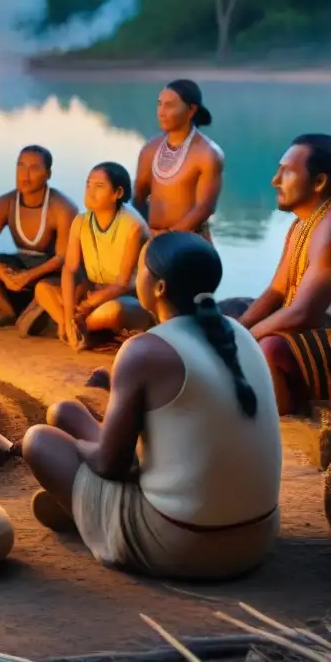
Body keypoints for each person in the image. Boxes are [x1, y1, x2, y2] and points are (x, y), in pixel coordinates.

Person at [22, 232, 282, 580]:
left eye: (142, 267)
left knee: (39, 440)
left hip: (184, 545)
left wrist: (82, 448)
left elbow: (109, 464)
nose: (136, 275)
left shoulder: (144, 350)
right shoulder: (239, 333)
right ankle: (79, 505)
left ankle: (87, 515)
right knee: (63, 413)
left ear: (159, 288)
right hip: (257, 538)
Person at [234, 134, 331, 415]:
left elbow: (302, 314)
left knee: (270, 348)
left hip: (322, 329)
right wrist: (239, 327)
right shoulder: (301, 225)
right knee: (233, 310)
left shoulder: (327, 228)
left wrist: (244, 340)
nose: (275, 180)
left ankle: (284, 422)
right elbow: (277, 290)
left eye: (286, 172)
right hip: (315, 328)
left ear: (320, 182)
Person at [36, 162, 152, 351]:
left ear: (118, 193)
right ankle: (73, 328)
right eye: (88, 184)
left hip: (128, 298)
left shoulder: (133, 226)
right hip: (95, 293)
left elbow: (123, 283)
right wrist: (67, 316)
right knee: (43, 289)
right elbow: (70, 269)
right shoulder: (81, 222)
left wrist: (89, 303)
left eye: (99, 187)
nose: (90, 192)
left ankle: (84, 329)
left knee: (113, 312)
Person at [0, 146, 78, 330]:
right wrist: (1, 272)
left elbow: (63, 257)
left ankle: (39, 311)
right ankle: (6, 311)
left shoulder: (62, 208)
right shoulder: (6, 203)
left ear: (48, 174)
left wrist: (27, 277)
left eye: (34, 168)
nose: (25, 174)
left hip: (49, 273)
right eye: (21, 166)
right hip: (19, 269)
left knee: (46, 288)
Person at [132, 79, 224, 240]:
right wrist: (147, 235)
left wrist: (169, 238)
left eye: (170, 105)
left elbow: (205, 207)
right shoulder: (150, 149)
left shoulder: (208, 153)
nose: (161, 112)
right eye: (159, 104)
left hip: (191, 245)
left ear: (191, 110)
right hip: (153, 242)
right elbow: (139, 198)